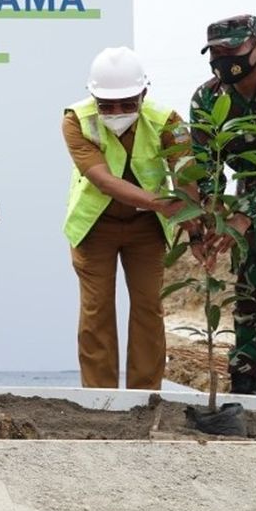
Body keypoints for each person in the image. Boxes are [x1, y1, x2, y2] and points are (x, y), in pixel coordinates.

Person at [62, 47, 188, 389]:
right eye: (107, 105)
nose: (116, 112)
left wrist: (196, 221)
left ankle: (144, 395)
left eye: (127, 104)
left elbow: (187, 177)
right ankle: (100, 398)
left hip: (146, 231)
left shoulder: (168, 122)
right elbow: (103, 180)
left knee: (149, 308)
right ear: (93, 95)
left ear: (143, 94)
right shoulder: (76, 119)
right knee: (96, 311)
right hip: (94, 227)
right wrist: (161, 202)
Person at [190, 15, 256, 395]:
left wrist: (245, 213)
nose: (224, 60)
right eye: (216, 53)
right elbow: (205, 165)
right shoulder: (209, 98)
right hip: (254, 220)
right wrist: (208, 218)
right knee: (252, 305)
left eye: (232, 51)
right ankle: (246, 391)